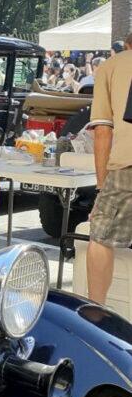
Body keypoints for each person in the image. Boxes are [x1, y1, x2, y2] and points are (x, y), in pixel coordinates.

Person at [86, 32, 132, 305]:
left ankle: (96, 311)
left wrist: (101, 186)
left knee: (100, 236)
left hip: (126, 164)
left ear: (127, 44)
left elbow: (103, 131)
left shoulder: (111, 66)